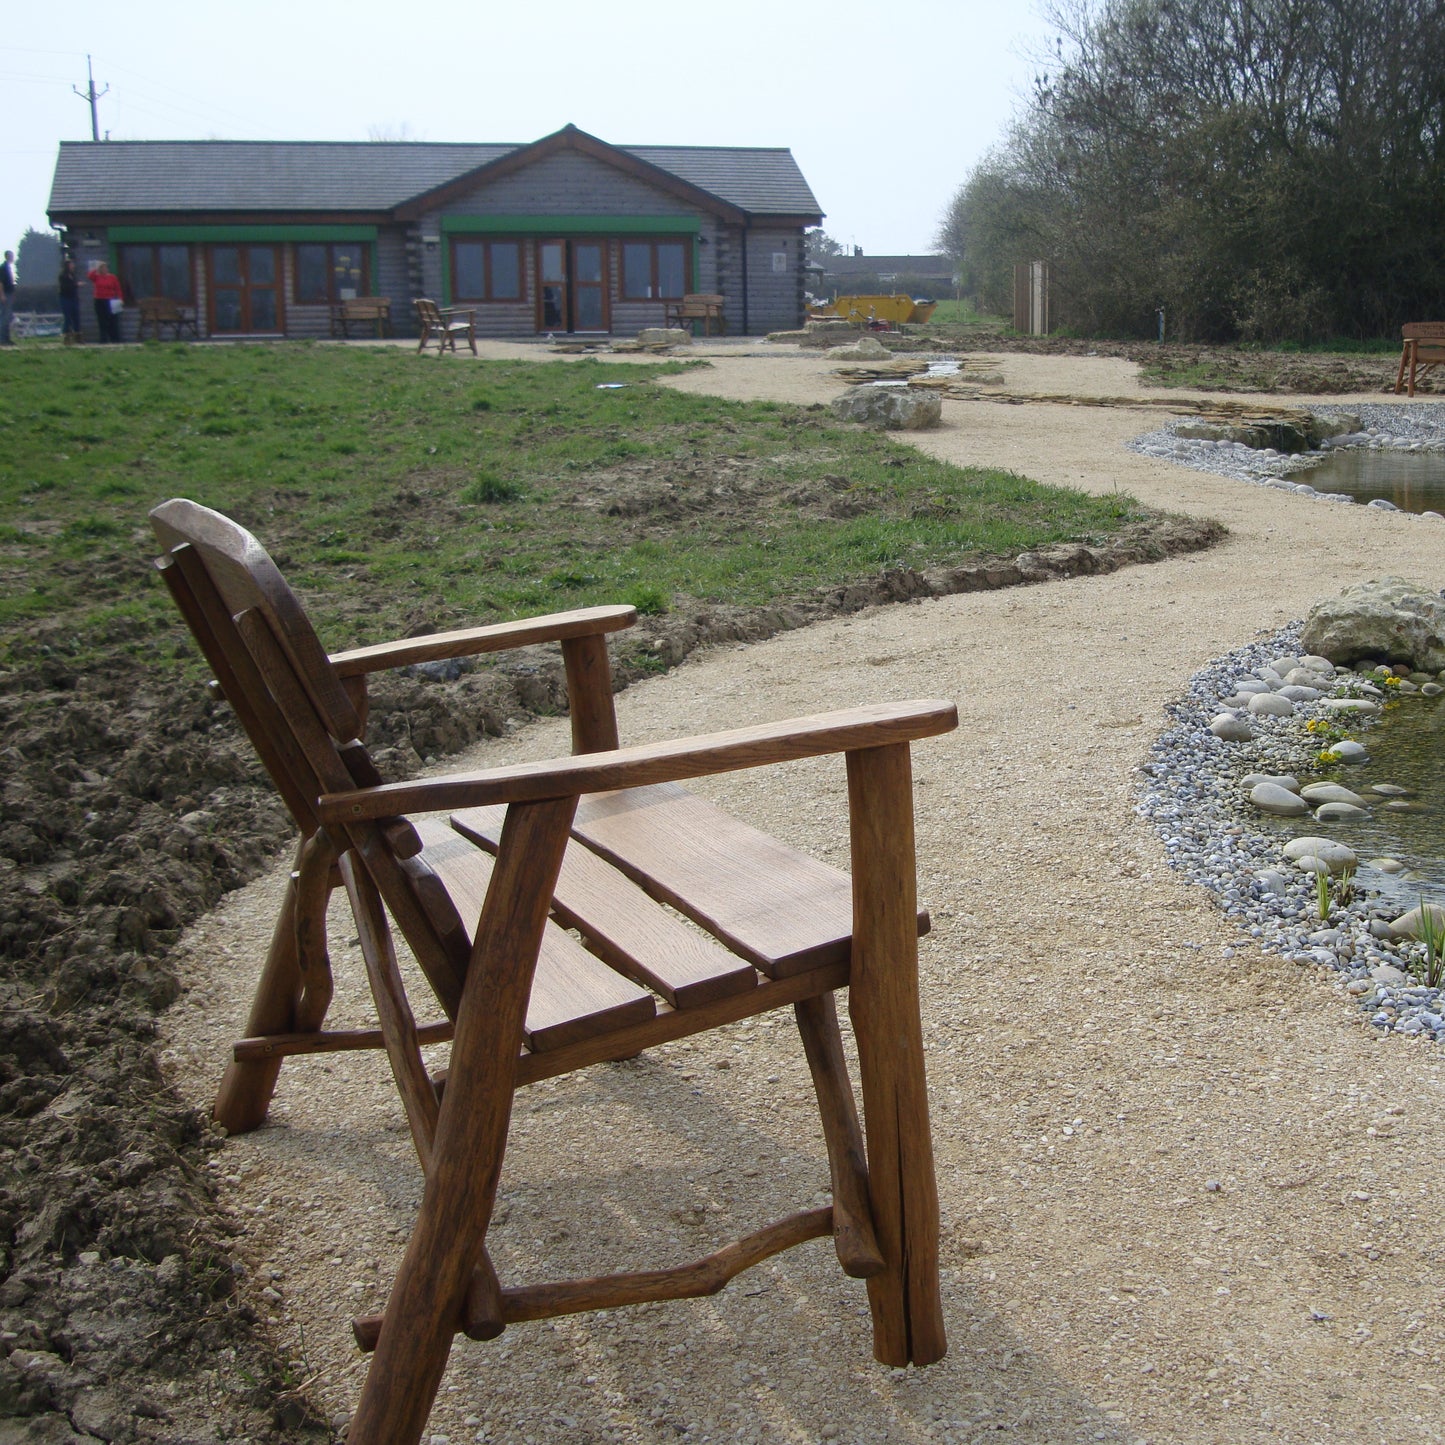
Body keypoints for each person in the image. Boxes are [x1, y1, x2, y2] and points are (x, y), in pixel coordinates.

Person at [90, 261, 123, 343]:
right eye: (102, 268)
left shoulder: (112, 277)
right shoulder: (97, 277)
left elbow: (118, 289)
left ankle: (115, 339)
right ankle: (103, 340)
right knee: (102, 321)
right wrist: (96, 268)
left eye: (105, 267)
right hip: (99, 300)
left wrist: (120, 298)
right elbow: (90, 276)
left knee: (113, 321)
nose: (104, 269)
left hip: (111, 300)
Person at [57, 257, 81, 344]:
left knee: (76, 317)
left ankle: (77, 337)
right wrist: (76, 285)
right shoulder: (62, 276)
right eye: (71, 264)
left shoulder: (73, 275)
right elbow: (65, 287)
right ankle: (66, 337)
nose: (73, 266)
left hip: (73, 298)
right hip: (65, 298)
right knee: (67, 317)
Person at [0, 250, 16, 346]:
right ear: (8, 257)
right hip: (5, 294)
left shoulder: (8, 268)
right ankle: (2, 339)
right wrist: (2, 295)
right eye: (12, 256)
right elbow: (1, 283)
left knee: (8, 317)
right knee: (4, 317)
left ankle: (7, 338)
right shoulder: (3, 268)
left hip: (9, 294)